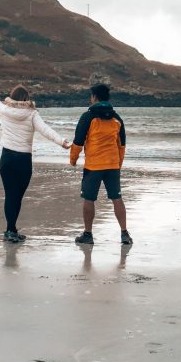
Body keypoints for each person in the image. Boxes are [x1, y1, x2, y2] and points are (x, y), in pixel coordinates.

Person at [0, 73, 71, 243]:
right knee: (17, 197)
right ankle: (10, 231)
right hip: (23, 161)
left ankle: (11, 230)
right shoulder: (32, 114)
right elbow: (45, 130)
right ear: (27, 98)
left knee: (10, 195)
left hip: (6, 159)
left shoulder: (3, 109)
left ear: (12, 97)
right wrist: (63, 142)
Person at [70, 83, 133, 245]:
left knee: (89, 199)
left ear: (94, 97)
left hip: (93, 166)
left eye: (91, 96)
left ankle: (88, 234)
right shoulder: (116, 118)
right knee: (117, 198)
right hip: (112, 165)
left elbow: (78, 142)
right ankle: (124, 234)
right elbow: (122, 145)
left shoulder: (88, 117)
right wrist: (118, 164)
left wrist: (73, 159)